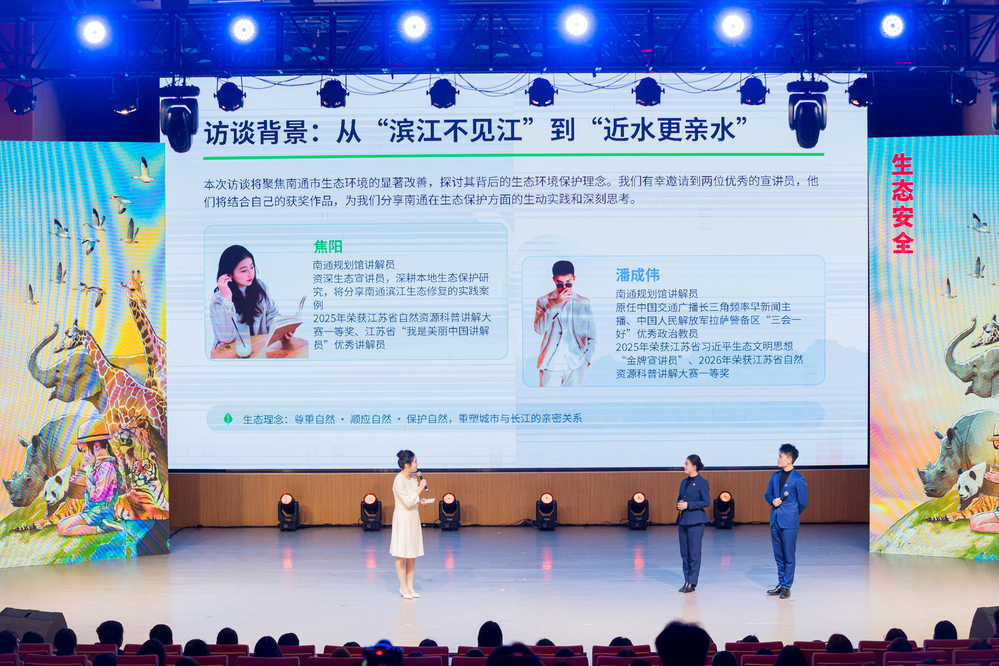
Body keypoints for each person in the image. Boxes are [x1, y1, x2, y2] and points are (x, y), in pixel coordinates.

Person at [210, 245, 287, 348]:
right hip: (231, 353)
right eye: (243, 270)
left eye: (252, 267)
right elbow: (226, 337)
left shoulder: (261, 287)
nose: (251, 274)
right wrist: (227, 298)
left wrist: (282, 330)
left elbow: (272, 316)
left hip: (258, 350)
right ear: (229, 274)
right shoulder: (219, 298)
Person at [57, 417, 123, 536]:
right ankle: (101, 526)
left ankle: (102, 528)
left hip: (100, 513)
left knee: (63, 529)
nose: (83, 456)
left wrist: (85, 482)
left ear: (96, 446)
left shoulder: (107, 467)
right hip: (91, 512)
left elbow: (99, 496)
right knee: (60, 524)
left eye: (84, 450)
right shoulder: (96, 467)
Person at [534, 260, 596, 387]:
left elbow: (592, 335)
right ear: (554, 280)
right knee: (548, 400)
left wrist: (587, 360)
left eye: (568, 284)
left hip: (576, 365)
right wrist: (556, 306)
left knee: (573, 400)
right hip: (550, 364)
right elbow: (539, 329)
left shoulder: (584, 302)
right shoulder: (543, 301)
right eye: (559, 284)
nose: (564, 288)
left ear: (574, 279)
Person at [764, 443, 808, 599]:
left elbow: (803, 502)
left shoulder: (798, 479)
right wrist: (772, 500)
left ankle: (787, 587)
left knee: (789, 556)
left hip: (789, 522)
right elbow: (767, 494)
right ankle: (781, 583)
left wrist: (793, 514)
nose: (778, 459)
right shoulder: (775, 475)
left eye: (780, 456)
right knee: (779, 555)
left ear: (789, 459)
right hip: (775, 520)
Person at [390, 450, 430, 599]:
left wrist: (420, 501)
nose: (417, 464)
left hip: (413, 518)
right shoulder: (398, 480)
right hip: (403, 519)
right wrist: (420, 488)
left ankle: (410, 586)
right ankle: (403, 586)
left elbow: (412, 498)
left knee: (412, 553)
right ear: (407, 464)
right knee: (402, 553)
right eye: (415, 461)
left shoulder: (413, 478)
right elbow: (406, 502)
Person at [677, 454, 710, 593]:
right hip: (683, 520)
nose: (684, 466)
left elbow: (706, 501)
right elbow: (680, 497)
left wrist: (688, 505)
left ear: (694, 466)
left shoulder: (702, 482)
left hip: (696, 521)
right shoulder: (683, 482)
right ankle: (686, 580)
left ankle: (693, 582)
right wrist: (679, 504)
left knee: (694, 553)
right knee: (684, 553)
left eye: (686, 464)